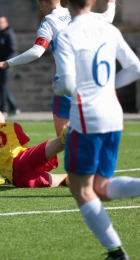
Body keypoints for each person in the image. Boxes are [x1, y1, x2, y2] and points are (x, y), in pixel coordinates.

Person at [53, 0, 140, 259]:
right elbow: (136, 68)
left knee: (81, 189)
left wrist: (58, 88)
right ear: (93, 1)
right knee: (100, 187)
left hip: (87, 117)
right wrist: (108, 86)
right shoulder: (109, 29)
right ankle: (116, 253)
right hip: (113, 115)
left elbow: (67, 83)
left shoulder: (66, 34)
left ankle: (116, 253)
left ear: (66, 2)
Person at [0, 0, 116, 136]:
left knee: (63, 139)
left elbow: (37, 51)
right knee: (91, 133)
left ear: (44, 3)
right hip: (91, 81)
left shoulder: (49, 21)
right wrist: (111, 2)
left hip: (66, 83)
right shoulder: (82, 13)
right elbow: (108, 18)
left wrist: (6, 63)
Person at [0, 101, 69, 188]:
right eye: (1, 113)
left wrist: (3, 181)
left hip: (19, 180)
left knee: (66, 179)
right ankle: (79, 127)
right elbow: (25, 149)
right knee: (63, 139)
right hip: (24, 160)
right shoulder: (12, 126)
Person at [0, 16, 20, 116]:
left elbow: (12, 49)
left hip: (7, 63)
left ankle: (4, 108)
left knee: (2, 85)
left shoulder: (9, 34)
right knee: (1, 86)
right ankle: (13, 107)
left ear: (6, 23)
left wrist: (4, 59)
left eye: (1, 22)